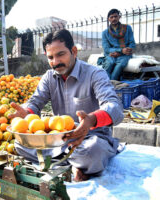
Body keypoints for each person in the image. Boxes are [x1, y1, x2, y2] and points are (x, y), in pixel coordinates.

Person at [8, 29, 124, 182]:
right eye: (50, 57)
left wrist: (90, 120)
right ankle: (74, 165)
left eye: (60, 54)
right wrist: (26, 112)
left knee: (92, 152)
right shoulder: (49, 77)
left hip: (90, 138)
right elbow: (35, 101)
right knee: (19, 144)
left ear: (74, 51)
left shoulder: (95, 74)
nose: (55, 62)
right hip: (58, 139)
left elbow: (114, 107)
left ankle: (62, 162)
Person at [102, 9, 136, 80]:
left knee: (119, 66)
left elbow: (132, 44)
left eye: (115, 16)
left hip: (125, 55)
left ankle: (111, 84)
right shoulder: (105, 33)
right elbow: (106, 49)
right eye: (111, 17)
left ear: (119, 17)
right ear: (108, 19)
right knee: (109, 64)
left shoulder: (127, 28)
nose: (114, 18)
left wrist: (125, 51)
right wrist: (120, 50)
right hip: (111, 54)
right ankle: (107, 84)